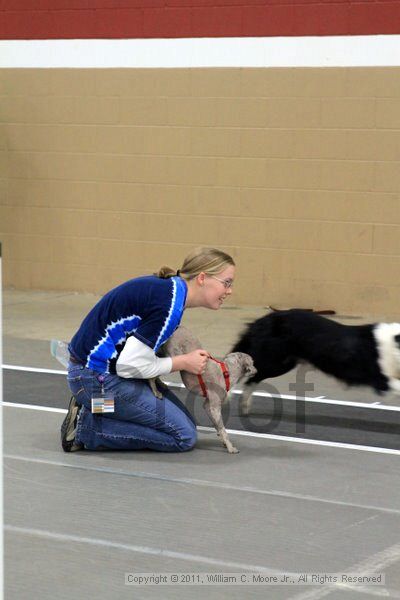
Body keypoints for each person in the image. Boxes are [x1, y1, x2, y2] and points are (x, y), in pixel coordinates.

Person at [61, 247, 235, 453]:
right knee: (183, 435)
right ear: (202, 278)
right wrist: (183, 362)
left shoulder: (171, 291)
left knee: (185, 421)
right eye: (227, 283)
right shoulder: (168, 307)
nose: (229, 291)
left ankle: (93, 405)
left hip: (94, 374)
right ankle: (86, 428)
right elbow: (129, 366)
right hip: (93, 378)